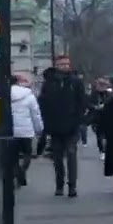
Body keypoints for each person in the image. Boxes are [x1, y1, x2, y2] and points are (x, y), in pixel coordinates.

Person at [39, 55, 87, 197]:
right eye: (61, 64)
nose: (65, 66)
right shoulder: (49, 83)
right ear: (56, 65)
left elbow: (82, 101)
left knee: (71, 155)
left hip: (72, 126)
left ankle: (72, 186)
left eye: (67, 64)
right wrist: (46, 123)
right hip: (54, 127)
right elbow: (43, 103)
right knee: (57, 158)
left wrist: (78, 118)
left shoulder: (75, 82)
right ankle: (59, 185)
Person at [8, 74, 44, 192]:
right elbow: (35, 114)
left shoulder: (1, 94)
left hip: (9, 131)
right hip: (26, 130)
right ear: (18, 82)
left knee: (12, 156)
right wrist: (39, 128)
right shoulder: (28, 95)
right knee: (27, 153)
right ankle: (22, 171)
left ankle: (17, 172)